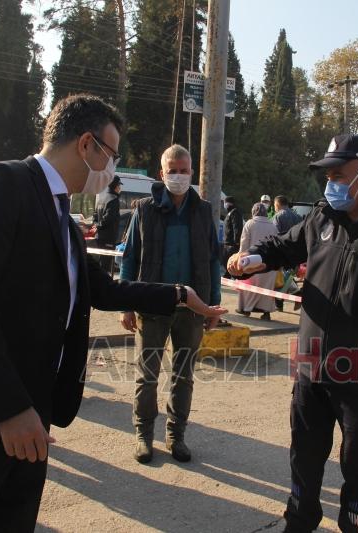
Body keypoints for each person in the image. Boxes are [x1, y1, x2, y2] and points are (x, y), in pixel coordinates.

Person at [0, 94, 225, 532]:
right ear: (86, 145)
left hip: (29, 416)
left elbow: (104, 289)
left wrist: (179, 294)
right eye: (111, 155)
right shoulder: (2, 184)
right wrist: (10, 407)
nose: (110, 168)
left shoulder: (61, 212)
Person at [228, 134, 358, 533]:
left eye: (338, 175)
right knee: (305, 456)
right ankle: (299, 520)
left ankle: (354, 524)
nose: (330, 184)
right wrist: (252, 258)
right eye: (327, 176)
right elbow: (282, 246)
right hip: (310, 370)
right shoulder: (320, 220)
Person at [119, 144, 222, 464]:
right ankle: (144, 435)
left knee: (184, 377)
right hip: (151, 307)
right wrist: (126, 304)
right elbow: (130, 258)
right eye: (172, 170)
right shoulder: (144, 210)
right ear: (161, 173)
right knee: (146, 376)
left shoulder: (204, 211)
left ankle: (176, 435)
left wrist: (212, 307)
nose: (178, 175)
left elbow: (213, 260)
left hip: (191, 311)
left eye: (183, 170)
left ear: (192, 172)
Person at [236, 202, 278, 320]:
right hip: (268, 263)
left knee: (249, 286)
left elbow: (244, 244)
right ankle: (266, 312)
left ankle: (246, 309)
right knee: (266, 288)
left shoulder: (250, 224)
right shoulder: (273, 226)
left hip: (251, 261)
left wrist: (240, 258)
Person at [94, 175, 122, 273]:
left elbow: (95, 216)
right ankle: (102, 287)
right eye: (119, 185)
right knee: (106, 265)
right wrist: (98, 226)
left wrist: (96, 226)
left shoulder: (101, 198)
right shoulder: (114, 199)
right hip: (108, 237)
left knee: (101, 263)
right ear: (116, 186)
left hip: (99, 237)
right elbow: (109, 218)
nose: (120, 188)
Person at [222, 196, 244, 277]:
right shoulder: (230, 212)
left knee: (229, 265)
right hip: (227, 244)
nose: (224, 205)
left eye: (225, 202)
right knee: (226, 264)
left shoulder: (235, 212)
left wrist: (237, 242)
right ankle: (227, 277)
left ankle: (228, 277)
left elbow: (237, 228)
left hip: (232, 245)